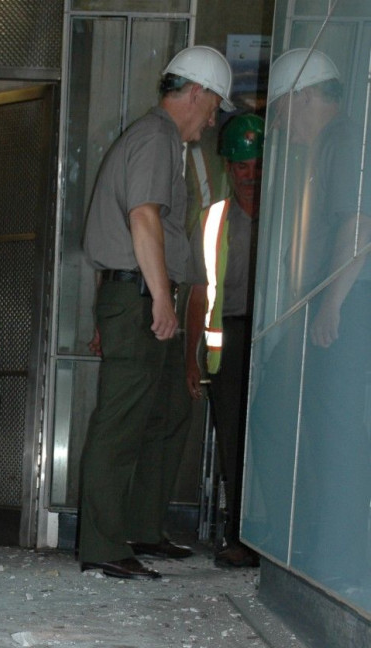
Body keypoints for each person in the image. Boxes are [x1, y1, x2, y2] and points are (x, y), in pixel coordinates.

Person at [78, 46, 234, 581]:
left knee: (165, 414)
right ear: (195, 93)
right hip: (143, 297)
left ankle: (141, 528)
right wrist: (162, 298)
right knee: (120, 423)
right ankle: (100, 544)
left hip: (139, 295)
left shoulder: (164, 141)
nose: (213, 117)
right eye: (213, 104)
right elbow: (142, 219)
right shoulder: (155, 138)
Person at [247, 49, 371, 586]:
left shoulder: (344, 141)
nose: (281, 122)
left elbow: (359, 228)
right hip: (342, 303)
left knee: (339, 436)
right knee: (322, 432)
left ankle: (338, 562)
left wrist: (330, 304)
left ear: (306, 96)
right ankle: (322, 551)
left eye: (281, 108)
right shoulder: (332, 145)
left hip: (349, 304)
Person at [185, 113, 264, 569]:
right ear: (227, 169)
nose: (250, 176)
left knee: (279, 443)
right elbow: (199, 291)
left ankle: (282, 542)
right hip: (231, 343)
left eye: (256, 165)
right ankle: (240, 537)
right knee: (234, 444)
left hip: (281, 338)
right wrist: (191, 359)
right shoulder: (214, 220)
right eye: (241, 167)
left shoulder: (291, 213)